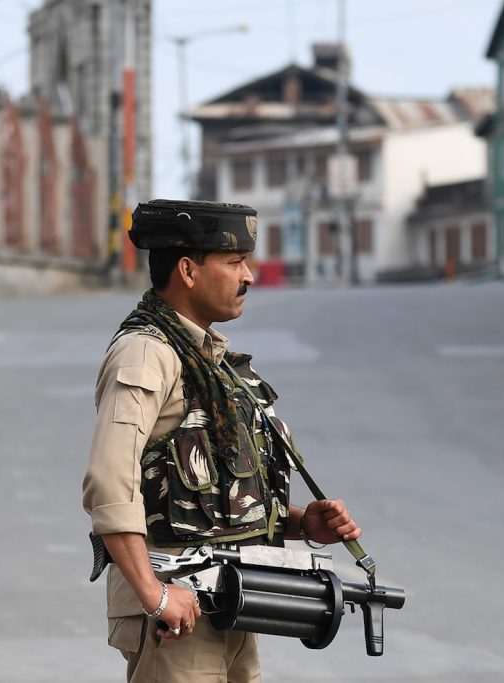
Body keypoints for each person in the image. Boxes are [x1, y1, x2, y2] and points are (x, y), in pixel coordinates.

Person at [82, 199, 362, 682]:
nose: (248, 276)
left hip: (231, 601)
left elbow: (209, 496)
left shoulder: (209, 360)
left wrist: (299, 524)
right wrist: (156, 594)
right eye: (233, 263)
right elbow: (110, 484)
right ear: (188, 271)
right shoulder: (147, 354)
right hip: (179, 614)